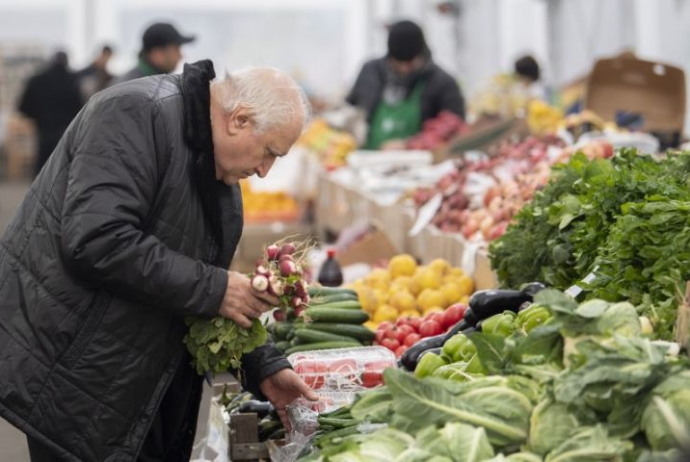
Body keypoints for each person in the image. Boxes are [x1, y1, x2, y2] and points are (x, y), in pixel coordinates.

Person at [0, 60, 316, 461]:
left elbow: (195, 282)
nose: (266, 171)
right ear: (239, 119)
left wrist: (263, 367)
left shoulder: (217, 170)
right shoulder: (134, 113)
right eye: (270, 152)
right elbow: (97, 240)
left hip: (136, 373)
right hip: (79, 376)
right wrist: (217, 288)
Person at [346, 19, 465, 150]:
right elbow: (351, 106)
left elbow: (456, 126)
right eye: (398, 62)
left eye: (410, 63)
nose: (404, 69)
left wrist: (411, 144)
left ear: (422, 54)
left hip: (422, 165)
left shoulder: (442, 82)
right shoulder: (370, 72)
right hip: (366, 161)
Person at [17, 51, 83, 177]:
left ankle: (38, 194)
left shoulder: (36, 80)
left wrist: (38, 117)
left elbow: (23, 107)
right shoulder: (72, 81)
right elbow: (80, 108)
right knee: (63, 168)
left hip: (43, 130)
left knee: (42, 166)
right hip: (66, 130)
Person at [113, 22, 195, 85]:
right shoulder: (136, 89)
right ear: (158, 55)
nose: (181, 56)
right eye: (176, 49)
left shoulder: (150, 83)